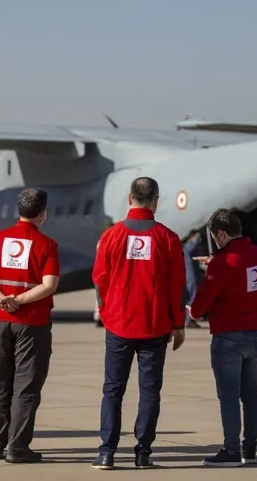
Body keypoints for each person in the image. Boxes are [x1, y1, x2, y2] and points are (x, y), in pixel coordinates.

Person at [91, 177, 187, 470]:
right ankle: (143, 453)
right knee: (149, 392)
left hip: (119, 325)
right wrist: (178, 323)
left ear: (129, 198)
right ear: (155, 201)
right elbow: (177, 286)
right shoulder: (168, 238)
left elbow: (100, 279)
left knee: (112, 390)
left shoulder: (111, 236)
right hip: (155, 326)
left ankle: (107, 452)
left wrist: (108, 311)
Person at [0, 187, 60, 464]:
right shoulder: (47, 245)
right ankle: (18, 447)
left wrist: (1, 299)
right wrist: (19, 301)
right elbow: (49, 286)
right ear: (43, 214)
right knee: (26, 385)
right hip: (31, 323)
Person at [188, 209, 257, 467]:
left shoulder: (222, 263)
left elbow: (200, 308)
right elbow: (240, 271)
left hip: (228, 336)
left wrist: (193, 310)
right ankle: (250, 448)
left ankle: (231, 450)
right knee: (251, 394)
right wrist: (217, 262)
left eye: (215, 237)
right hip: (253, 333)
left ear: (222, 234)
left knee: (229, 396)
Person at [183, 231, 205, 329]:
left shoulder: (192, 246)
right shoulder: (189, 245)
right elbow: (190, 248)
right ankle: (188, 320)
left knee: (194, 296)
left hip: (193, 274)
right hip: (191, 275)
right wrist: (195, 239)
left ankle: (190, 319)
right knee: (192, 296)